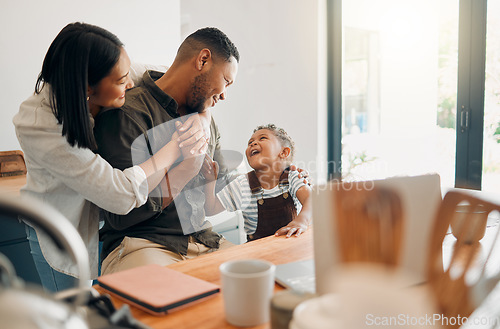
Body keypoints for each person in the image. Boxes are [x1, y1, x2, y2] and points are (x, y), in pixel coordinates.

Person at [12, 22, 206, 292]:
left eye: (127, 73)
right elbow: (121, 195)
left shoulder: (116, 72)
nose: (130, 81)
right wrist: (174, 148)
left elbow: (181, 82)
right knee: (71, 315)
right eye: (120, 81)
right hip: (62, 228)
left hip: (105, 227)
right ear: (88, 87)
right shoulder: (40, 125)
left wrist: (202, 117)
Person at [93, 27, 241, 275]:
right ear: (203, 60)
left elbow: (216, 200)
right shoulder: (128, 113)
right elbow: (119, 215)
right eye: (226, 81)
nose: (224, 95)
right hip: (141, 244)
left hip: (203, 241)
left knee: (259, 285)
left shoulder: (205, 119)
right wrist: (185, 170)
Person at [202, 124, 312, 241]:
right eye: (250, 142)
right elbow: (210, 208)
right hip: (257, 250)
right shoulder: (242, 184)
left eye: (262, 138)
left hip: (292, 242)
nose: (252, 144)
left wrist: (302, 221)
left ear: (284, 152)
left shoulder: (292, 177)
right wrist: (210, 181)